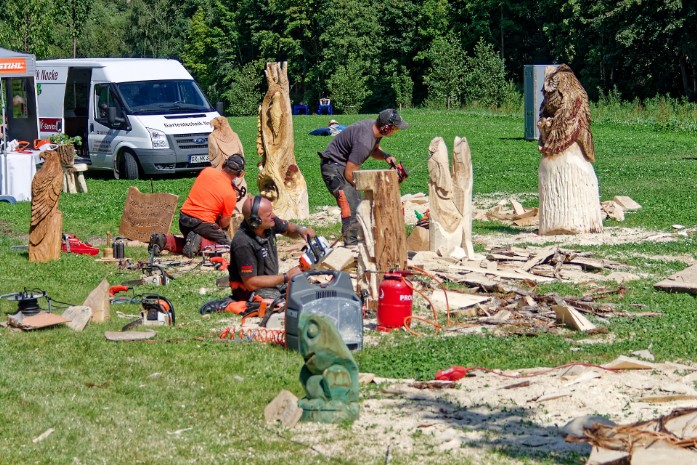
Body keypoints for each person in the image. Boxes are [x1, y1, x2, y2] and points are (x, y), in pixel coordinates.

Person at [199, 195, 316, 314]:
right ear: (256, 222)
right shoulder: (243, 242)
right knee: (280, 306)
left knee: (304, 291)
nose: (274, 216)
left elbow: (287, 228)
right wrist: (286, 277)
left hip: (269, 283)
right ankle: (229, 304)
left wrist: (301, 230)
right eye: (269, 215)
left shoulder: (268, 223)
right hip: (249, 290)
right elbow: (250, 283)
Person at [318, 108, 408, 245]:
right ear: (386, 127)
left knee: (358, 201)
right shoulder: (364, 142)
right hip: (333, 168)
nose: (395, 132)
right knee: (352, 204)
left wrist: (385, 156)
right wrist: (372, 187)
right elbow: (349, 174)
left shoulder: (373, 129)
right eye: (394, 129)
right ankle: (351, 245)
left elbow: (374, 150)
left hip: (340, 164)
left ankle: (356, 238)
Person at [148, 154, 246, 258]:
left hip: (183, 220)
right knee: (226, 247)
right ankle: (199, 244)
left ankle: (164, 240)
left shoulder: (206, 171)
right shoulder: (230, 194)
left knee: (188, 242)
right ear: (240, 173)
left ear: (224, 164)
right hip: (202, 224)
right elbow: (224, 223)